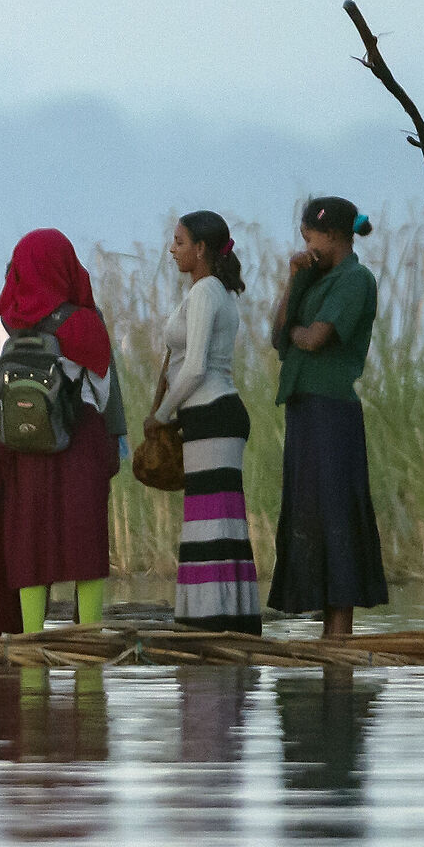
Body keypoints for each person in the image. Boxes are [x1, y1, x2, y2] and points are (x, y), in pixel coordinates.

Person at [0, 229, 126, 633]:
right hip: (80, 437)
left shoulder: (4, 323)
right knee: (84, 543)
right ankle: (88, 638)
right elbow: (103, 391)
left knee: (30, 542)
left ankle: (32, 641)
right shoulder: (86, 321)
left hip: (23, 440)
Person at [267, 196, 386, 637]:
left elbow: (314, 338)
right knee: (308, 515)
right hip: (304, 412)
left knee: (337, 518)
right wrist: (293, 279)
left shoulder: (355, 279)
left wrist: (294, 333)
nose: (306, 245)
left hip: (333, 415)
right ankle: (326, 637)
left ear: (333, 235)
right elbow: (278, 334)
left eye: (310, 236)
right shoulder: (314, 277)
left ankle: (340, 637)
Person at [147, 210, 261, 634]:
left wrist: (159, 417)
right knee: (210, 519)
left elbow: (194, 368)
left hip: (214, 414)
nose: (171, 249)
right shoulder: (207, 291)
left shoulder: (207, 292)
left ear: (200, 249)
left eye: (178, 242)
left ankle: (216, 622)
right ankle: (218, 618)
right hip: (207, 416)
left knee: (213, 521)